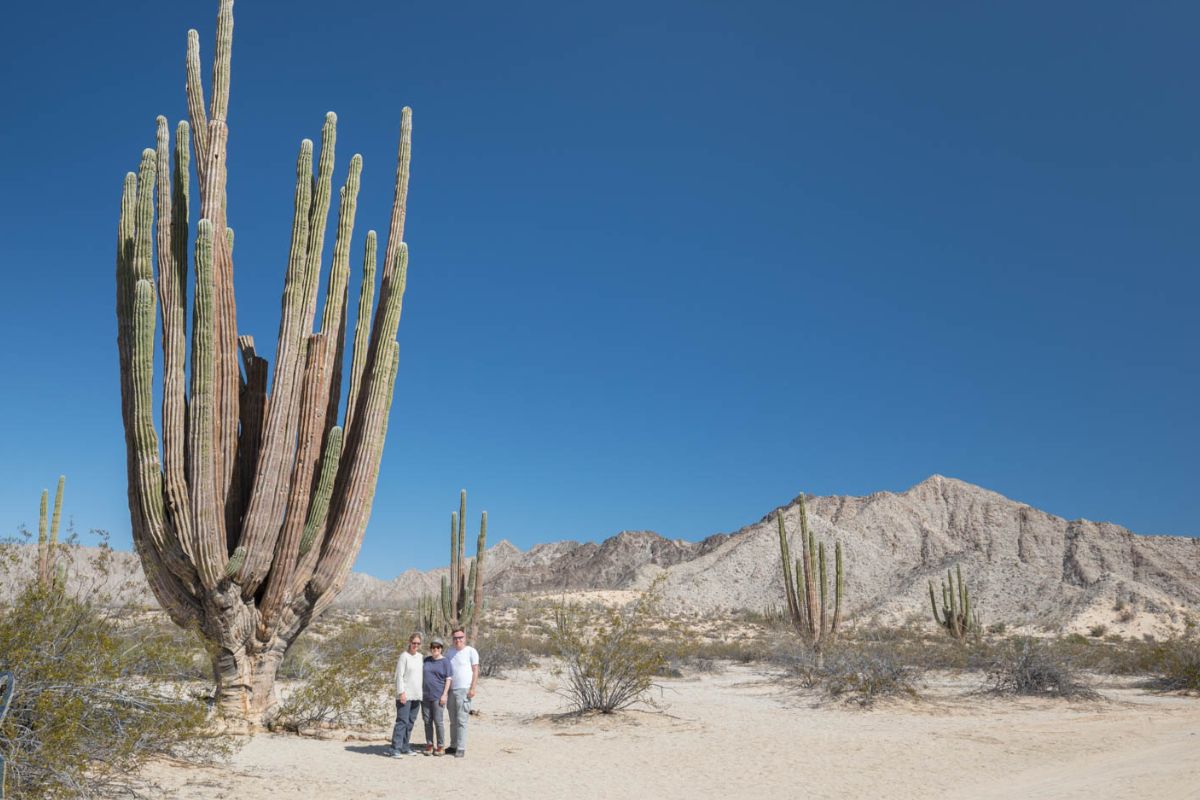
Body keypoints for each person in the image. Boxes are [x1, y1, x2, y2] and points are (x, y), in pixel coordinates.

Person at [445, 627, 479, 759]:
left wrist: (473, 688)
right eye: (455, 638)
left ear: (465, 638)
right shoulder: (450, 652)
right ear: (452, 639)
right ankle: (453, 745)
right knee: (453, 720)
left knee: (462, 720)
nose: (458, 640)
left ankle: (461, 747)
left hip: (464, 689)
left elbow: (475, 670)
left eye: (460, 637)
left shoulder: (471, 651)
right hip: (451, 690)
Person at [390, 632, 424, 757]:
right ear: (409, 642)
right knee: (402, 721)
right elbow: (398, 675)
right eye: (414, 643)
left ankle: (405, 746)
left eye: (418, 643)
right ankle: (395, 748)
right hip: (405, 694)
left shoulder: (420, 657)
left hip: (417, 694)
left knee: (410, 722)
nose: (415, 645)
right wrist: (401, 692)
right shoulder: (404, 656)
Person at [420, 637, 452, 755]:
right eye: (433, 647)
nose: (435, 649)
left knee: (438, 721)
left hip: (438, 695)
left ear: (441, 649)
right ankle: (429, 745)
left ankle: (440, 746)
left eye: (437, 647)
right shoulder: (426, 660)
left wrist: (445, 695)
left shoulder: (445, 662)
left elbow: (448, 679)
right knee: (427, 721)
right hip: (425, 696)